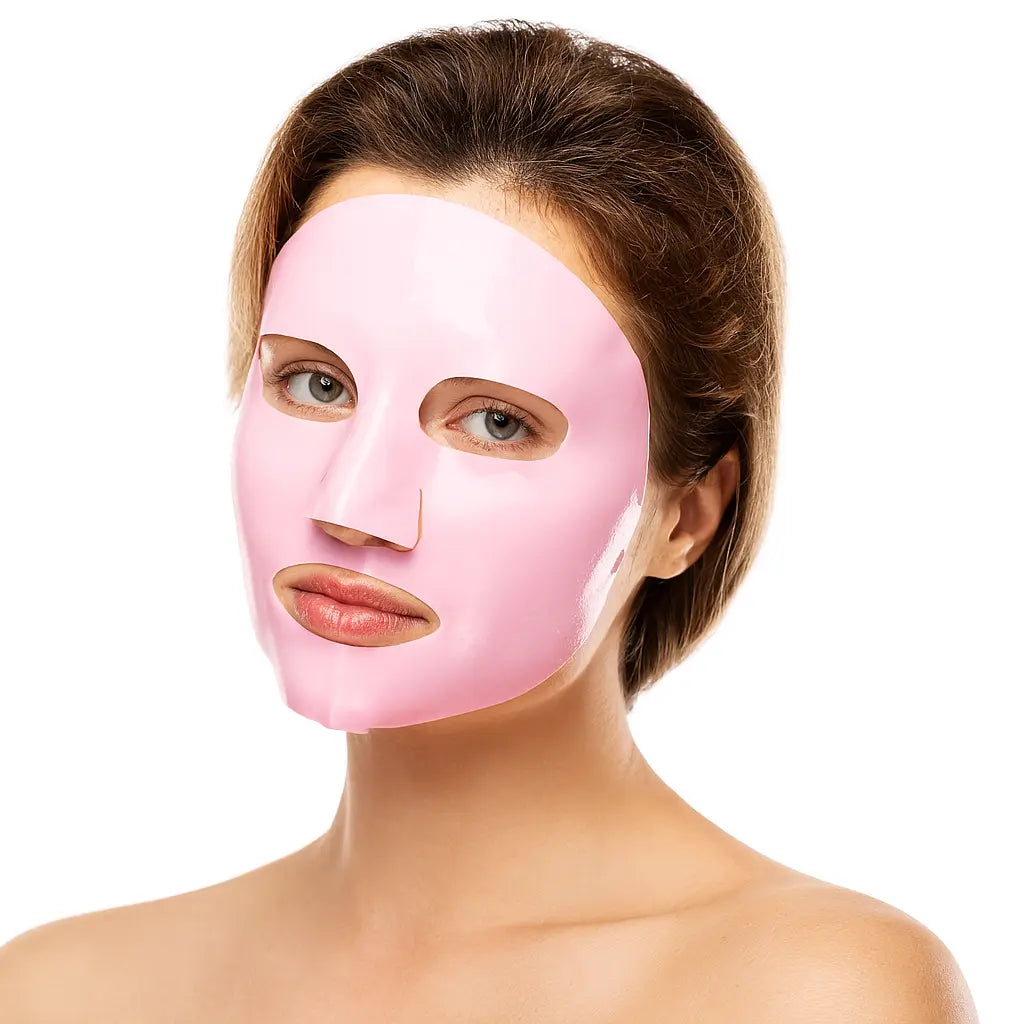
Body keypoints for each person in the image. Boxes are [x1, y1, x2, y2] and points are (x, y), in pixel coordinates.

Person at [0, 18, 978, 1022]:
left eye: (496, 422)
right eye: (316, 383)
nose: (351, 507)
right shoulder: (58, 994)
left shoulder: (807, 992)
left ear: (685, 517)